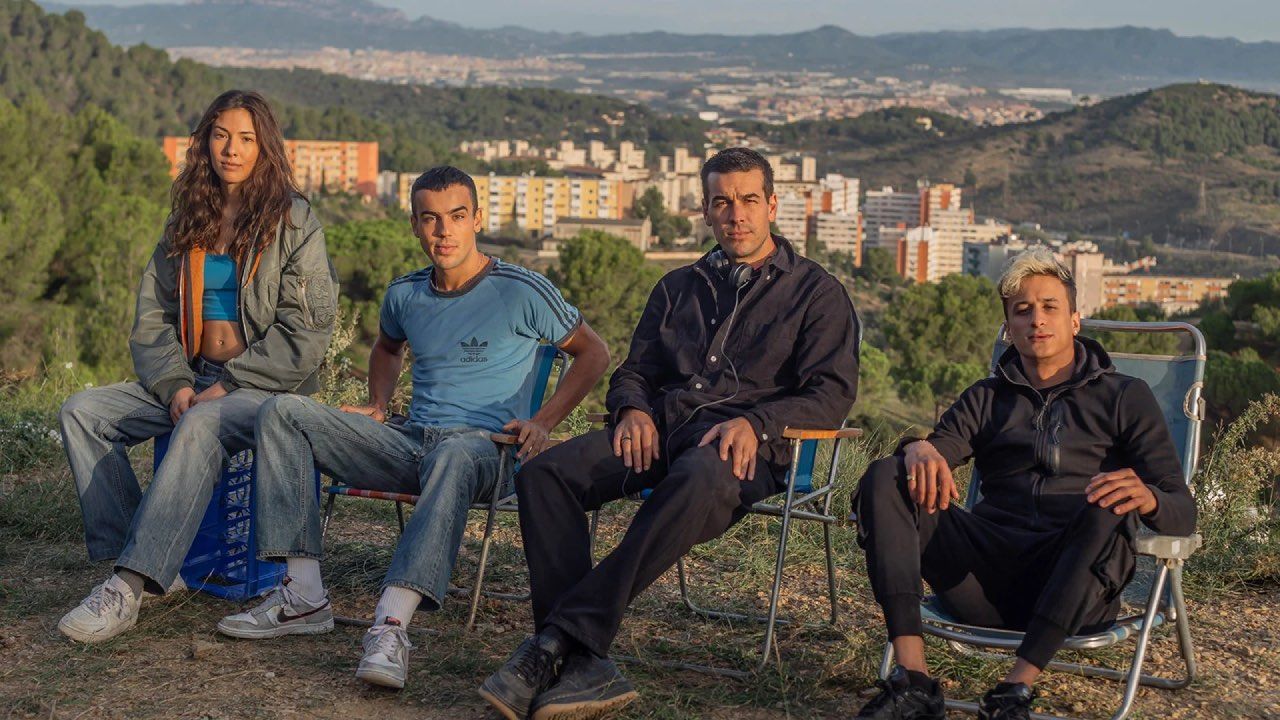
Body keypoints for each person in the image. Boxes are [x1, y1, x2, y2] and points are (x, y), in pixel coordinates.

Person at [479, 147, 860, 720]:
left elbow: (831, 395)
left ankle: (555, 643)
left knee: (698, 476)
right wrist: (631, 409)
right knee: (544, 474)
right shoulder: (677, 286)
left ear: (773, 205)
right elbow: (635, 370)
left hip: (742, 450)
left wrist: (755, 422)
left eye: (749, 200)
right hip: (659, 431)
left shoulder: (817, 294)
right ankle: (583, 666)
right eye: (722, 202)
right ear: (706, 211)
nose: (737, 215)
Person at [215, 166, 610, 690]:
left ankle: (391, 624)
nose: (443, 231)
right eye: (430, 219)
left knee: (454, 452)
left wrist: (542, 421)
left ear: (477, 220)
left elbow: (594, 353)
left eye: (456, 217)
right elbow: (386, 346)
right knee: (282, 412)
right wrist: (379, 403)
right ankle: (303, 597)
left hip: (487, 451)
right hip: (410, 442)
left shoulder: (522, 289)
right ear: (414, 227)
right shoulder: (405, 293)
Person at [850, 247, 1197, 720]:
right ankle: (913, 682)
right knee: (887, 473)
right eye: (1023, 310)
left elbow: (1182, 510)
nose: (1037, 319)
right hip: (983, 581)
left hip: (1075, 581)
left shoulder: (1125, 398)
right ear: (1009, 328)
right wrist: (916, 447)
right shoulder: (985, 399)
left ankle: (1013, 691)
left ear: (1075, 320)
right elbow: (937, 451)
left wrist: (1148, 497)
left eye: (1050, 306)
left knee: (1109, 501)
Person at [57, 90, 338, 643]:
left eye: (246, 138)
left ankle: (128, 588)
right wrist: (174, 382)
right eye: (221, 135)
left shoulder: (295, 219)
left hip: (263, 390)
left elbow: (307, 334)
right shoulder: (190, 213)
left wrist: (228, 383)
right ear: (205, 140)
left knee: (202, 423)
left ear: (266, 147)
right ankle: (139, 555)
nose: (231, 149)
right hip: (191, 377)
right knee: (81, 411)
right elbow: (153, 315)